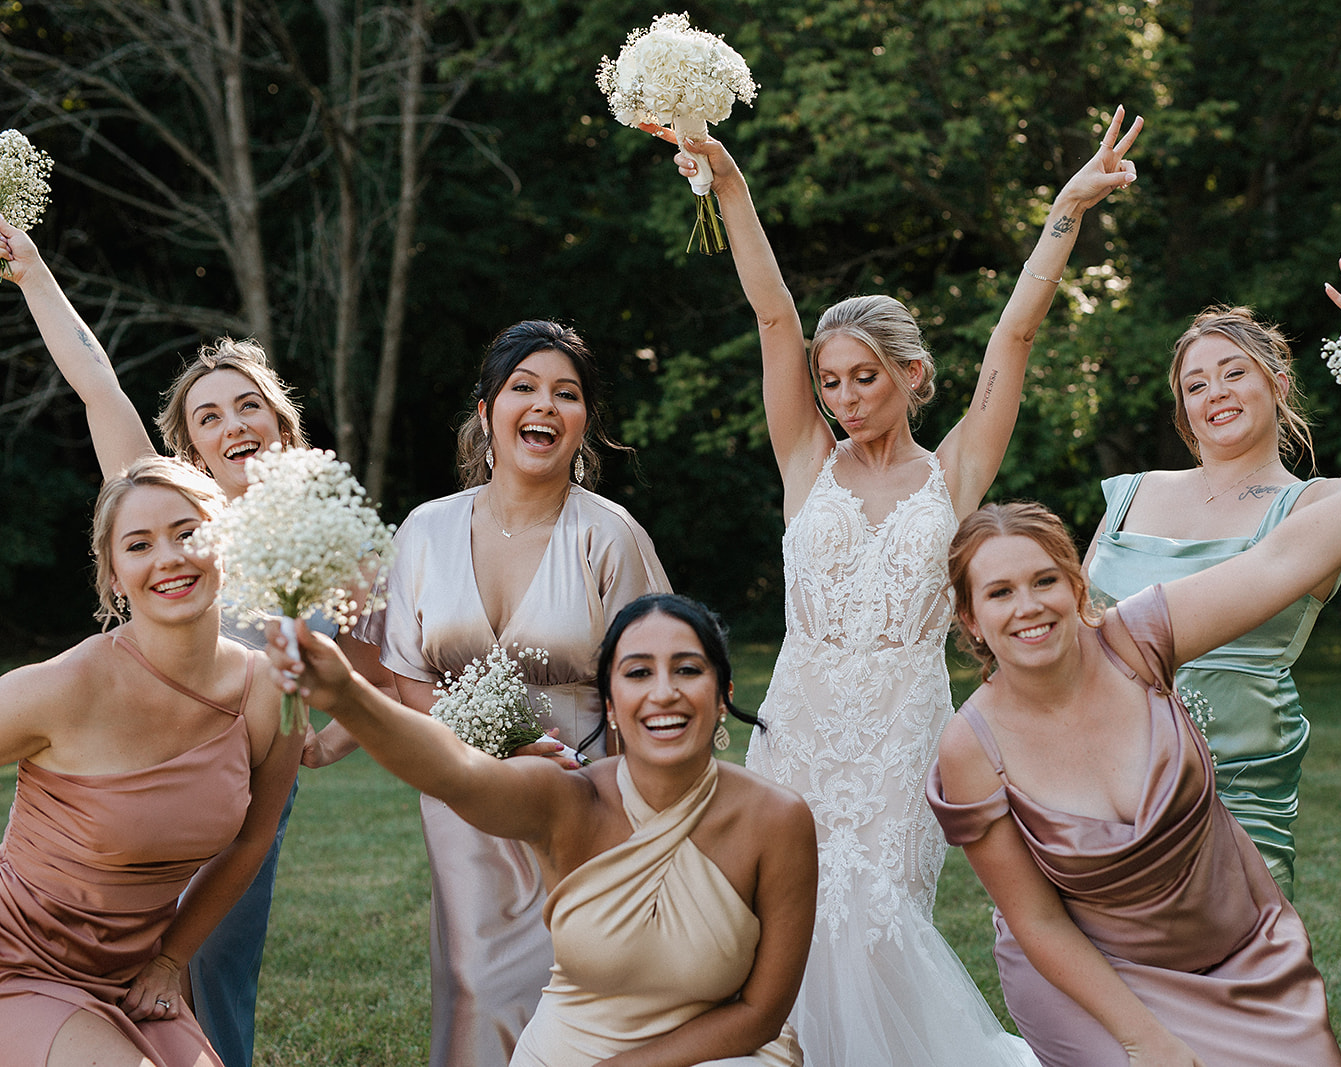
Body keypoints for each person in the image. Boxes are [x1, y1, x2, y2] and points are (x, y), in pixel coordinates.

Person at [666, 106, 1141, 1065]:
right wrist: (728, 179)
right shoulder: (806, 459)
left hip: (902, 726)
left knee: (874, 918)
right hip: (801, 718)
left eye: (864, 378)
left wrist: (1065, 211)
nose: (842, 398)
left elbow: (1011, 339)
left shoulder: (953, 475)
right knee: (777, 916)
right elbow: (773, 314)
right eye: (831, 382)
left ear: (912, 375)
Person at [927, 367, 1341, 1067]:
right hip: (1093, 979)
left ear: (1077, 584)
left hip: (1238, 951)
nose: (1029, 606)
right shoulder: (969, 746)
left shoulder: (1140, 641)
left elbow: (1288, 555)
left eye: (1046, 579)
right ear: (971, 619)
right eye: (1001, 592)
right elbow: (1037, 920)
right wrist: (1145, 1041)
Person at [0, 212, 388, 1067]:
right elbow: (98, 381)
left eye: (250, 404)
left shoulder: (329, 540)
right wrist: (30, 269)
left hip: (243, 783)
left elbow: (379, 665)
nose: (232, 421)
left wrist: (317, 742)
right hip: (123, 764)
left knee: (210, 971)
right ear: (190, 448)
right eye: (209, 415)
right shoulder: (165, 513)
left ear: (281, 424)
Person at [270, 593, 816, 1067]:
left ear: (722, 694)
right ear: (611, 703)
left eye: (688, 669)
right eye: (639, 672)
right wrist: (347, 694)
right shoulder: (570, 800)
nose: (664, 691)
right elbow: (455, 772)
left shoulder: (778, 820)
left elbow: (761, 1012)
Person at [355, 319, 671, 1066]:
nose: (545, 405)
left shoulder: (610, 536)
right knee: (476, 985)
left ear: (584, 422)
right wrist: (484, 746)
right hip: (462, 797)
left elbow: (652, 681)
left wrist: (640, 821)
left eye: (567, 393)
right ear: (488, 408)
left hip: (585, 799)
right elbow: (405, 675)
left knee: (585, 990)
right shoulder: (425, 531)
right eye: (524, 387)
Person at [1081, 252, 1341, 897]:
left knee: (1234, 973)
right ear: (1183, 410)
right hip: (1101, 781)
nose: (1216, 393)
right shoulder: (1130, 494)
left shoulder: (1311, 507)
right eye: (1196, 384)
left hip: (1236, 786)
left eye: (1234, 373)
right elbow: (1078, 630)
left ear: (1276, 384)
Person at [0, 456, 303, 1066]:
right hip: (16, 963)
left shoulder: (274, 692)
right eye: (139, 544)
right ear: (113, 575)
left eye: (188, 534)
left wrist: (170, 961)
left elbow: (252, 841)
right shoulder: (68, 686)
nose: (169, 558)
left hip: (133, 977)